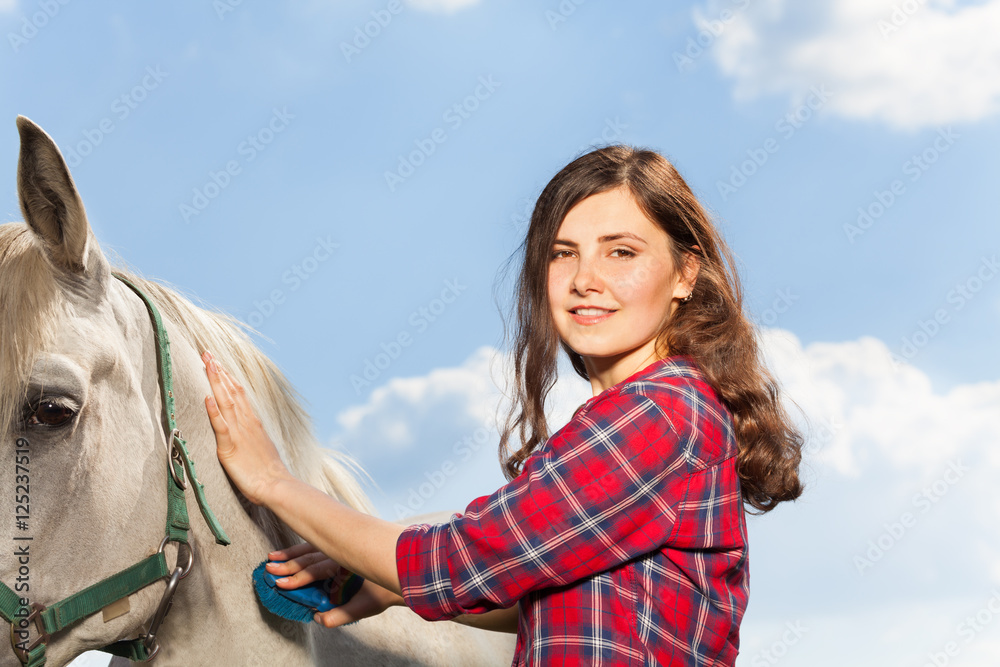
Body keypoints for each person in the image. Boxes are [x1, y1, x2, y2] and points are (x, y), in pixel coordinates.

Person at [202, 145, 803, 666]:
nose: (584, 279)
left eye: (621, 252)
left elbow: (463, 560)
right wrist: (390, 587)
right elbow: (542, 600)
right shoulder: (657, 413)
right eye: (563, 253)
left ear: (684, 272)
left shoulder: (656, 417)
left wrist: (273, 482)